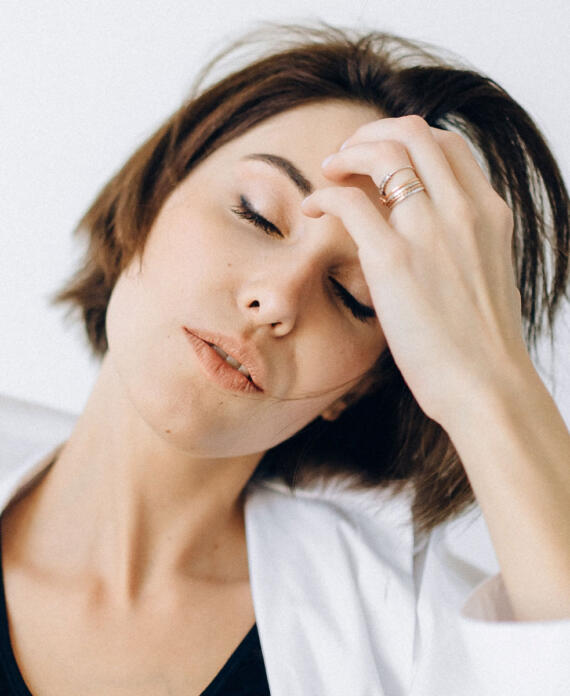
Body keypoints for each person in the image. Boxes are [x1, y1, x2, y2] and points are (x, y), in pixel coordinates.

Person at [1, 20, 569, 696]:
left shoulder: (407, 638)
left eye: (354, 299)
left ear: (358, 387)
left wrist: (491, 382)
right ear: (152, 197)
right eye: (257, 214)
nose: (275, 299)